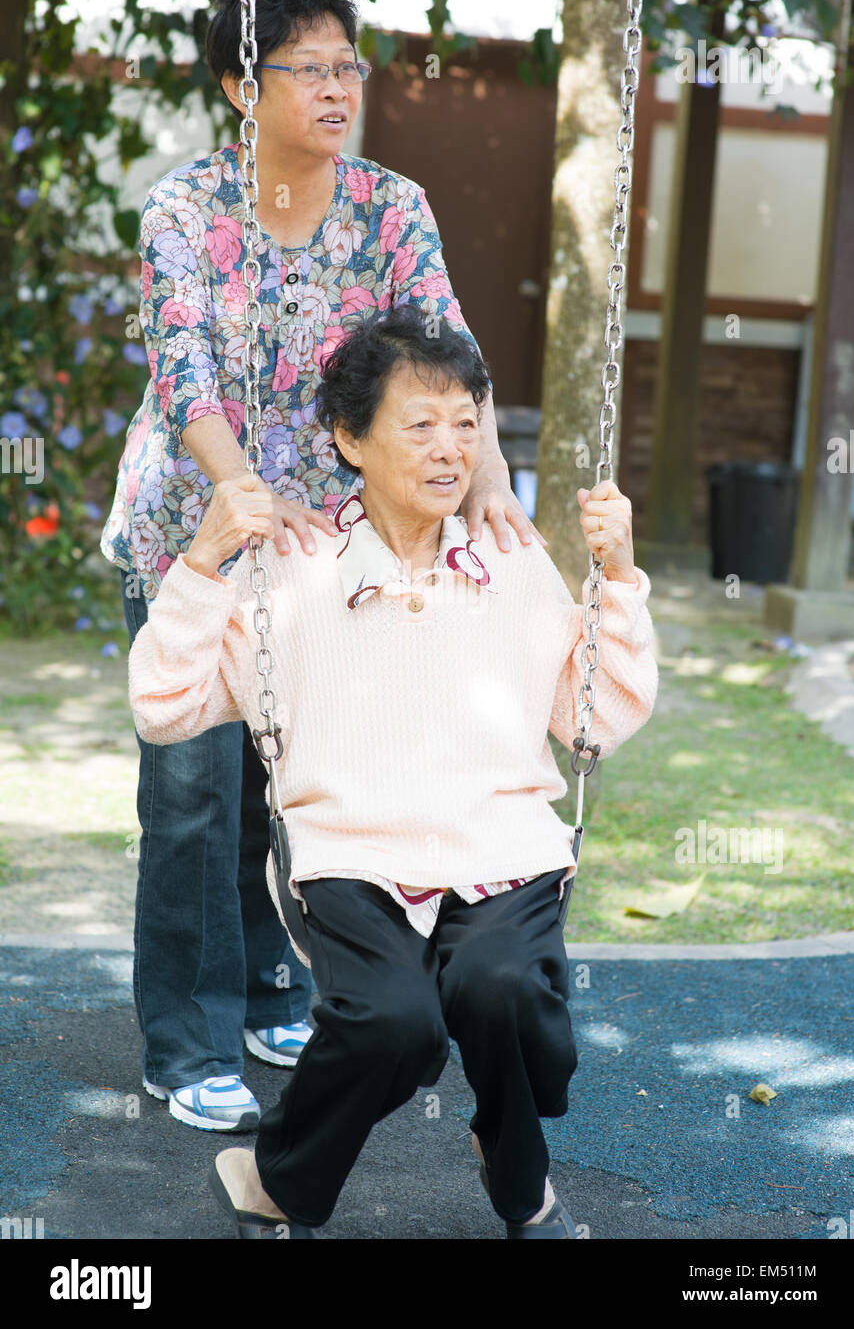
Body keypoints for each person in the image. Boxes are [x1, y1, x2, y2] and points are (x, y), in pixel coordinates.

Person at [103, 0, 542, 1130]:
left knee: (277, 777)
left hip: (318, 551)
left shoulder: (392, 208)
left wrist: (489, 479)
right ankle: (181, 1038)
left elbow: (450, 353)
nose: (340, 90)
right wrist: (238, 493)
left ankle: (264, 985)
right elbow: (184, 368)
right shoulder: (187, 211)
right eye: (310, 69)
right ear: (246, 88)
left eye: (351, 67)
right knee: (192, 786)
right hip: (197, 531)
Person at [126, 303, 659, 1239]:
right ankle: (277, 1180)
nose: (449, 449)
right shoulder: (289, 570)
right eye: (420, 424)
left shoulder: (511, 559)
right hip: (347, 848)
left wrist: (616, 578)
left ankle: (510, 1153)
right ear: (348, 439)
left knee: (508, 1001)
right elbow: (166, 707)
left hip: (500, 843)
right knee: (392, 1026)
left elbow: (597, 717)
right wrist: (204, 562)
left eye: (466, 424)